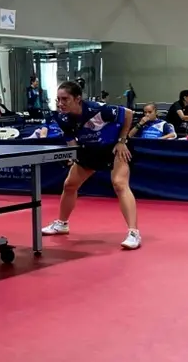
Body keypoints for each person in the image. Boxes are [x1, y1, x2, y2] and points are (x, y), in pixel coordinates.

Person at [42, 81, 141, 250]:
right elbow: (70, 137)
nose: (60, 103)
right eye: (58, 99)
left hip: (114, 148)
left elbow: (128, 113)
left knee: (119, 184)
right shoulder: (61, 117)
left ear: (77, 99)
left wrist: (122, 141)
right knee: (69, 185)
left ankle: (134, 233)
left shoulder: (97, 110)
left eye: (65, 99)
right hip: (90, 150)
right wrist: (73, 155)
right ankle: (62, 224)